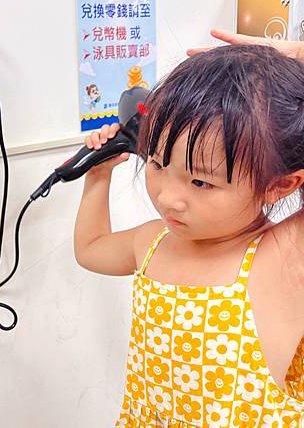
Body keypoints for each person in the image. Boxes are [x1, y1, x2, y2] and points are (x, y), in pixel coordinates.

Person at [74, 44, 304, 425]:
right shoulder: (152, 243)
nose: (168, 198)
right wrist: (99, 175)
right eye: (157, 163)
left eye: (201, 182)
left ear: (280, 185)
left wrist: (297, 57)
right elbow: (91, 249)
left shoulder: (283, 256)